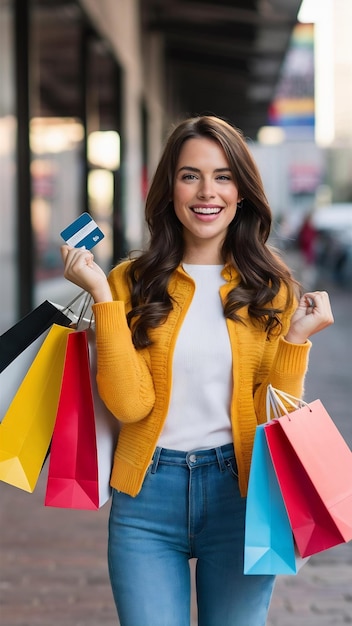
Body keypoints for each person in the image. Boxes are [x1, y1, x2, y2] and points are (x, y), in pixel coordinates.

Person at [61, 115, 334, 626]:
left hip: (244, 495)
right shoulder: (129, 281)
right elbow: (130, 404)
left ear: (242, 192)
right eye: (190, 175)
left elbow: (271, 414)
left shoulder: (272, 287)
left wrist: (295, 341)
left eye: (223, 176)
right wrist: (103, 298)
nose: (207, 191)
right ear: (169, 189)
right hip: (146, 496)